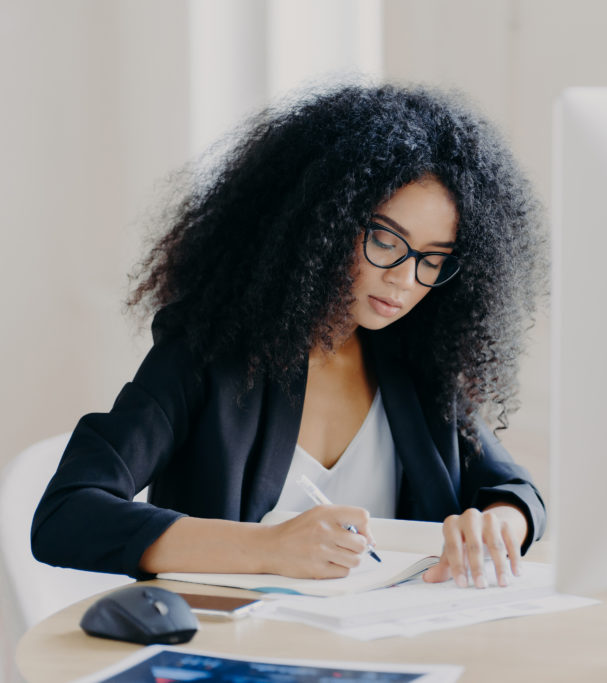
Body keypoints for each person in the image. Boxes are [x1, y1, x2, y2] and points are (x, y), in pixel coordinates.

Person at [31, 82, 547, 590]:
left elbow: (515, 490)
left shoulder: (418, 362)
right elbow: (66, 514)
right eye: (387, 240)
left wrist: (497, 523)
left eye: (434, 259)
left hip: (388, 648)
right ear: (322, 221)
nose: (405, 279)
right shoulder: (209, 352)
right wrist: (268, 549)